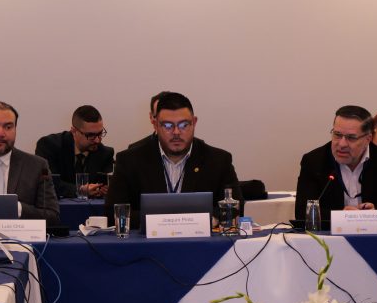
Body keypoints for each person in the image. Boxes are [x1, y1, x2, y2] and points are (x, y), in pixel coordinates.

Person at [106, 92, 242, 227]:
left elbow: (236, 209)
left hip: (200, 239)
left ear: (194, 122)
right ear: (155, 125)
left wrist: (211, 219)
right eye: (168, 126)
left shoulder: (218, 160)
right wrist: (165, 221)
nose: (176, 132)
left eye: (183, 125)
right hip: (147, 240)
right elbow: (113, 213)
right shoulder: (129, 161)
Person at [295, 105, 377, 223]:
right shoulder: (314, 161)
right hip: (331, 234)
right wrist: (342, 216)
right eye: (337, 135)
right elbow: (303, 212)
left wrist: (375, 214)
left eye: (351, 137)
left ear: (368, 139)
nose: (342, 144)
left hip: (375, 232)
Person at [35, 105, 114, 198]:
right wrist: (79, 190)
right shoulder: (49, 146)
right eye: (91, 135)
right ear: (74, 131)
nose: (97, 140)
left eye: (100, 133)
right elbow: (47, 182)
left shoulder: (105, 153)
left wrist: (106, 190)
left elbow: (107, 185)